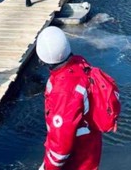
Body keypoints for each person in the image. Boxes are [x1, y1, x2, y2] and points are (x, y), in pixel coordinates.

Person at [36, 27, 103, 170]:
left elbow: (61, 144)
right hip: (90, 147)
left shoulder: (64, 91)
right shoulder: (80, 64)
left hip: (77, 158)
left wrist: (49, 167)